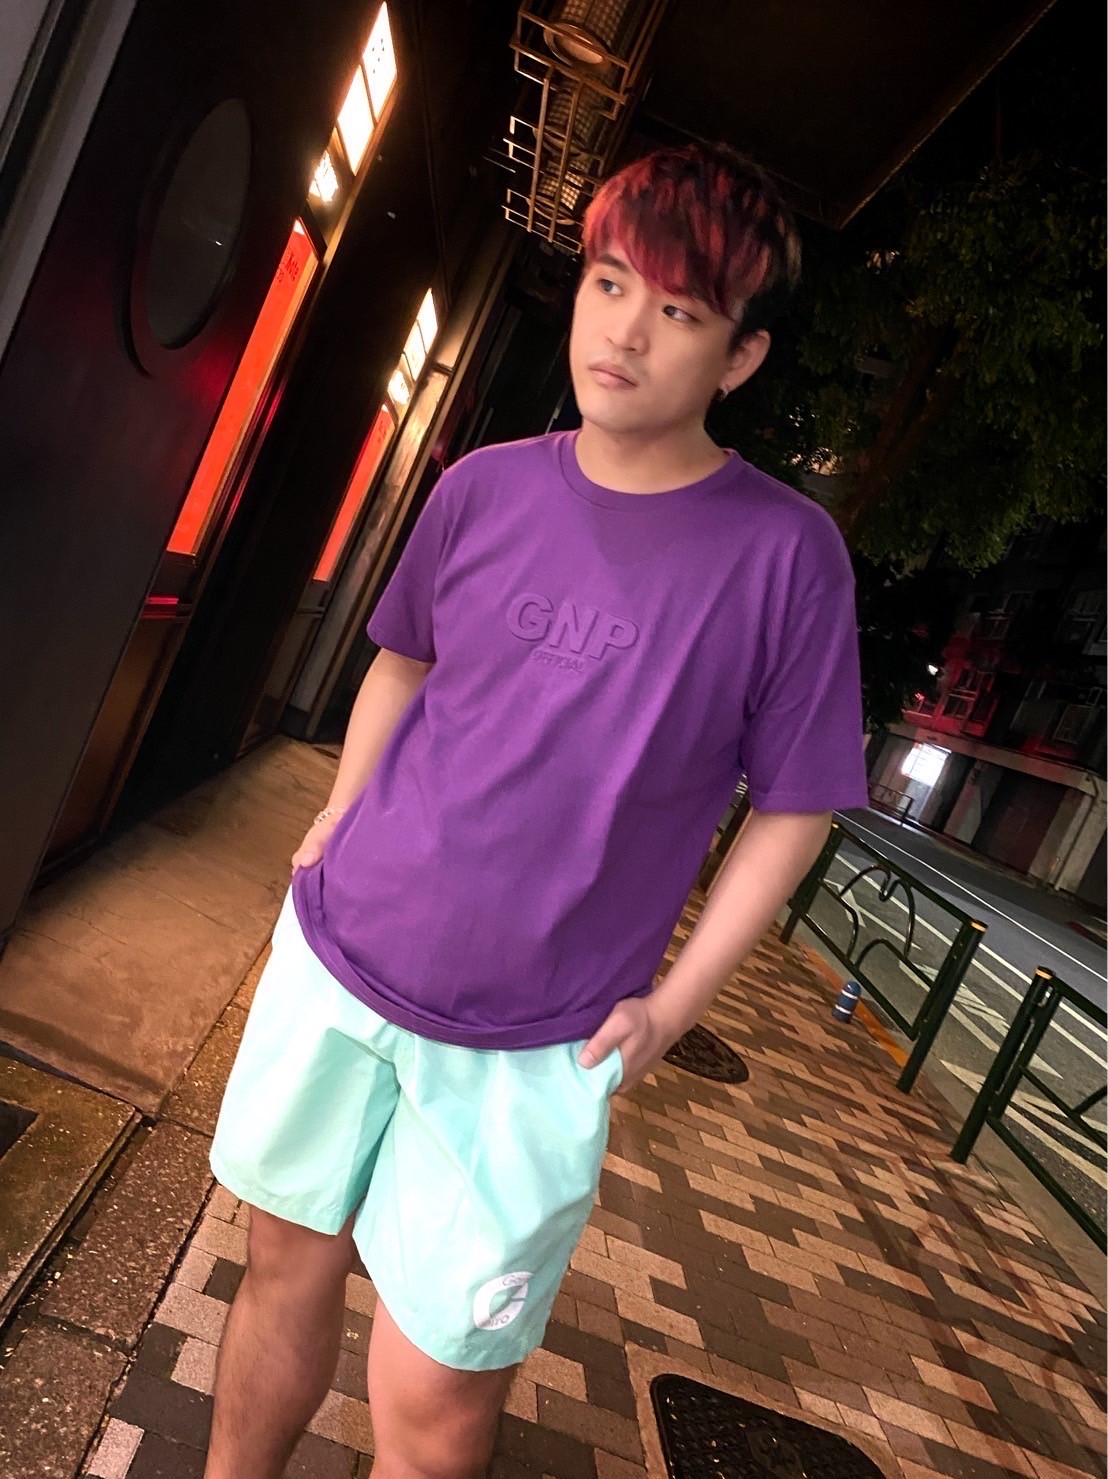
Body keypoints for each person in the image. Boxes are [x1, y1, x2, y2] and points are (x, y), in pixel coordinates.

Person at [203, 142, 870, 1479]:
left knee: (436, 1394)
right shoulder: (483, 484)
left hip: (538, 1042)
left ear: (740, 358)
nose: (625, 331)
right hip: (342, 954)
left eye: (678, 309)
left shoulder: (787, 557)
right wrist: (337, 814)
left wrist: (672, 1008)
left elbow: (795, 809)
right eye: (610, 284)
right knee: (280, 1269)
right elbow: (404, 659)